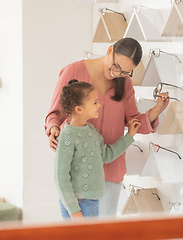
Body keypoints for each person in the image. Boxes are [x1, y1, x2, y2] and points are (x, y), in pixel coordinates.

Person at [45, 37, 169, 216]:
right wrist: (54, 128)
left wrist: (157, 110)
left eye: (126, 72)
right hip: (79, 172)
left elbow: (133, 121)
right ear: (110, 50)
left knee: (105, 232)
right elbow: (55, 112)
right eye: (116, 66)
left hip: (111, 168)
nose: (117, 73)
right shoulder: (73, 71)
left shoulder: (124, 82)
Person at [55, 79, 141, 220]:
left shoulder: (91, 131)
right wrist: (73, 210)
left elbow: (106, 155)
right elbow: (60, 177)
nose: (99, 105)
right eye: (95, 102)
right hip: (77, 205)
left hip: (93, 200)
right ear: (79, 109)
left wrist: (129, 136)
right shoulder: (67, 137)